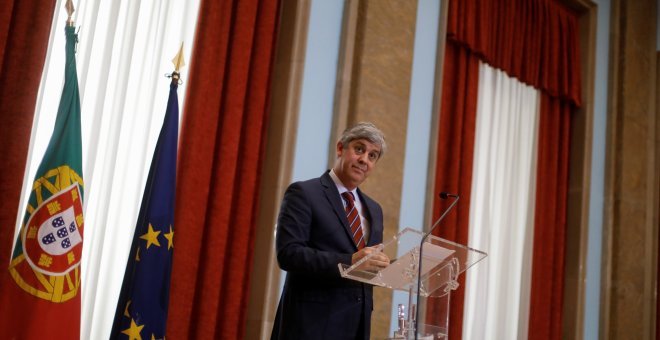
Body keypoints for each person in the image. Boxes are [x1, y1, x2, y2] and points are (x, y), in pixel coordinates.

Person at [271, 122, 391, 340]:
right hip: (310, 325)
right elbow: (288, 254)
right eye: (359, 149)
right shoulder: (305, 193)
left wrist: (384, 267)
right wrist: (349, 260)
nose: (364, 160)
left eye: (373, 156)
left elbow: (365, 268)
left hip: (356, 326)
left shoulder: (374, 210)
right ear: (340, 148)